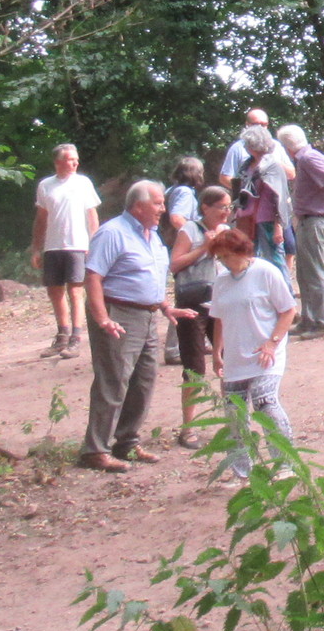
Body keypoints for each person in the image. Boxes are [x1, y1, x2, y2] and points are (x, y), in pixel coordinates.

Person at [80, 179, 187, 472]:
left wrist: (164, 306)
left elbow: (150, 276)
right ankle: (95, 450)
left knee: (144, 381)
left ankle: (126, 442)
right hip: (119, 314)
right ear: (138, 206)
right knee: (114, 379)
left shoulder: (152, 236)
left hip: (148, 316)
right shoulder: (112, 233)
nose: (163, 209)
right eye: (158, 203)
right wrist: (103, 318)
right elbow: (93, 277)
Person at [202, 224, 298, 480]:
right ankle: (242, 471)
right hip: (236, 355)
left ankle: (284, 463)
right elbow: (219, 318)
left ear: (242, 251)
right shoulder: (222, 281)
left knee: (265, 401)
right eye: (220, 258)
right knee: (234, 412)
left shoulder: (266, 272)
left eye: (227, 256)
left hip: (266, 351)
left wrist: (272, 342)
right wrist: (217, 352)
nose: (225, 262)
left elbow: (288, 310)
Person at [168, 183, 232, 448]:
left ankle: (233, 422)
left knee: (230, 360)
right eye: (221, 207)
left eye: (229, 207)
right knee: (194, 367)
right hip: (192, 304)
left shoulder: (226, 230)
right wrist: (204, 248)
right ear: (205, 207)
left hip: (221, 301)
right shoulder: (189, 230)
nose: (226, 212)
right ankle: (188, 429)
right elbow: (174, 264)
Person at [31, 144, 100, 358]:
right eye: (70, 159)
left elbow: (92, 216)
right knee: (55, 291)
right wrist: (36, 248)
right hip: (53, 246)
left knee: (76, 290)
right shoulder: (45, 185)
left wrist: (94, 244)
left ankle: (76, 339)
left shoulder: (83, 183)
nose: (75, 162)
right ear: (58, 162)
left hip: (78, 245)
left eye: (76, 159)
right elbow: (41, 219)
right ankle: (62, 336)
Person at [278, 123, 324, 337]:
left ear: (287, 147)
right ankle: (309, 319)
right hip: (308, 220)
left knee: (314, 272)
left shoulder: (308, 159)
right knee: (304, 273)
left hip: (316, 219)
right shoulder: (309, 157)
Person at [237, 125, 293, 268]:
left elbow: (280, 197)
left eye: (247, 144)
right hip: (247, 219)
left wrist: (278, 226)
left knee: (275, 261)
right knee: (249, 260)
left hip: (268, 220)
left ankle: (282, 284)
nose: (245, 147)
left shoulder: (273, 166)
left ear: (253, 146)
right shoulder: (246, 166)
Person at [218, 109, 274, 192]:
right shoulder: (238, 148)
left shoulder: (276, 145)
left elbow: (291, 174)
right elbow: (225, 178)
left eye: (263, 124)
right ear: (247, 124)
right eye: (255, 124)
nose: (259, 128)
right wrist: (246, 190)